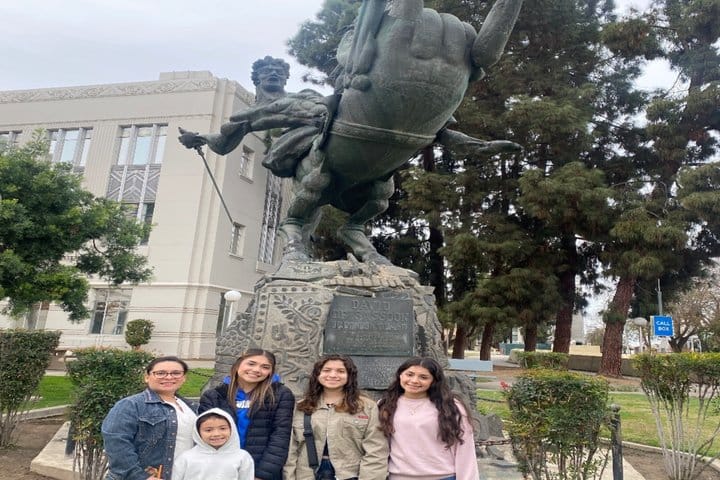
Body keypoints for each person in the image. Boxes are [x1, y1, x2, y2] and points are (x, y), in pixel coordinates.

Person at [284, 354, 388, 480]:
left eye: (340, 371)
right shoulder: (302, 406)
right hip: (307, 474)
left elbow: (376, 450)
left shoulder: (366, 407)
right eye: (327, 370)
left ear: (349, 376)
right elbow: (291, 449)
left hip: (349, 474)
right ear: (317, 374)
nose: (333, 375)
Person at [199, 349, 295, 480]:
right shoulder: (214, 395)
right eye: (251, 364)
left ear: (271, 372)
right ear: (238, 364)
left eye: (265, 367)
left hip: (260, 468)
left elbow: (280, 436)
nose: (256, 370)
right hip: (221, 469)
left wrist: (262, 474)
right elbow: (204, 435)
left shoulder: (280, 394)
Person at [378, 357, 479, 480]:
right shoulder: (385, 405)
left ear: (434, 381)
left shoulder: (451, 406)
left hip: (442, 476)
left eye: (423, 377)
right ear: (400, 375)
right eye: (409, 374)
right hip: (398, 476)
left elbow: (465, 448)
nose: (414, 380)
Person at [102, 356, 198, 480]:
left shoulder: (192, 407)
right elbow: (116, 443)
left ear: (184, 377)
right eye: (161, 373)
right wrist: (140, 476)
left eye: (176, 373)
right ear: (147, 377)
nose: (169, 377)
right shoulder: (131, 405)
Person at [172, 408, 254, 480]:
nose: (216, 434)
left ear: (232, 429)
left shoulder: (242, 457)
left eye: (222, 428)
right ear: (198, 432)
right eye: (208, 430)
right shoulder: (186, 458)